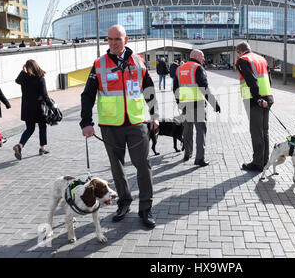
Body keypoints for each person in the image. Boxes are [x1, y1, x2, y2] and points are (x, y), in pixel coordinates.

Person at [80, 24, 159, 228]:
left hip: (136, 122)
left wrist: (154, 115)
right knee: (117, 168)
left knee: (143, 165)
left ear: (126, 40)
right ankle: (124, 202)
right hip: (110, 124)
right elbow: (87, 95)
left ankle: (146, 208)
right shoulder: (99, 64)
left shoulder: (139, 61)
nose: (113, 43)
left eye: (118, 39)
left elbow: (149, 88)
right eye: (110, 39)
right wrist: (86, 122)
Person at [173, 49, 221, 167]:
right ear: (197, 56)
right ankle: (199, 159)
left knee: (187, 130)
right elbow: (204, 88)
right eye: (202, 56)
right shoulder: (197, 68)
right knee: (200, 131)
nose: (204, 59)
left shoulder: (180, 68)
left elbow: (175, 87)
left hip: (185, 105)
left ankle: (187, 154)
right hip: (198, 104)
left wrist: (179, 101)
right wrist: (214, 104)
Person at [235, 41, 274, 172]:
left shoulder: (243, 60)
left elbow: (250, 79)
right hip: (267, 96)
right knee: (264, 131)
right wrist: (265, 97)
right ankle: (264, 161)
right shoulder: (261, 59)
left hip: (254, 100)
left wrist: (257, 98)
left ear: (239, 51)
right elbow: (269, 80)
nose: (237, 56)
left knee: (256, 132)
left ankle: (257, 163)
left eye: (237, 54)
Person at [13, 60, 53, 160]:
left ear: (26, 67)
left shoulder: (24, 78)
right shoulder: (40, 79)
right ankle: (42, 148)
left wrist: (22, 72)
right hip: (38, 108)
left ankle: (20, 146)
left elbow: (17, 81)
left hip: (27, 108)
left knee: (30, 129)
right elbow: (44, 95)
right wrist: (51, 105)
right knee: (42, 127)